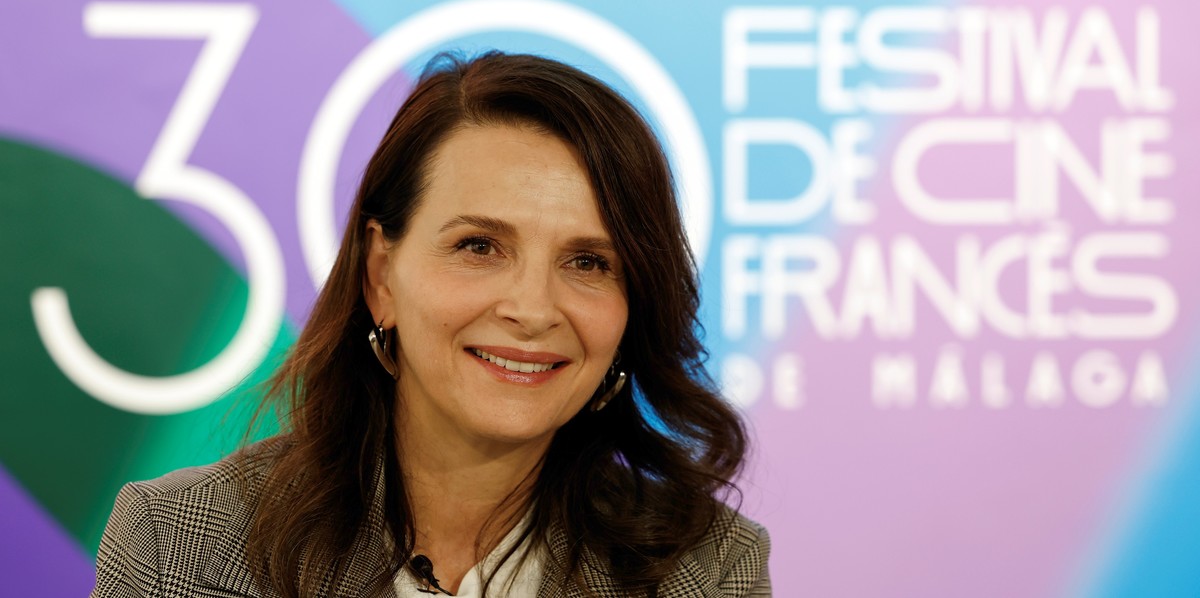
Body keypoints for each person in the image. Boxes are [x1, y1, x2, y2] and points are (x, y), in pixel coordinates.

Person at [91, 51, 770, 597]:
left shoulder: (706, 567)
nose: (533, 309)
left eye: (589, 262)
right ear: (381, 276)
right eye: (480, 246)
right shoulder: (177, 543)